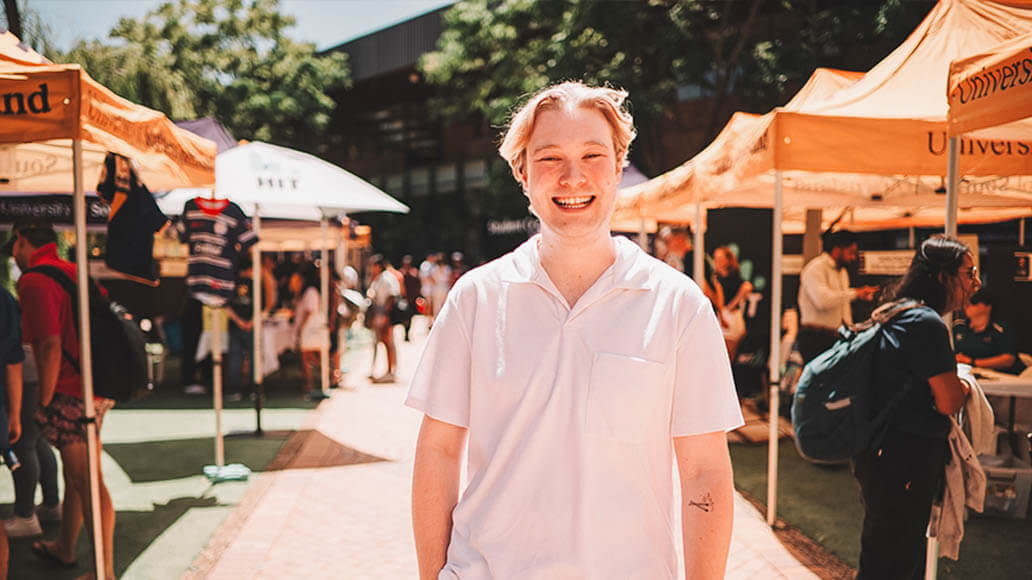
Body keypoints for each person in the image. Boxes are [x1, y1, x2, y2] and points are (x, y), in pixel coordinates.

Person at [407, 81, 743, 579]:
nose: (573, 177)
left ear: (618, 165)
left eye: (592, 155)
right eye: (549, 159)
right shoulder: (475, 299)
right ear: (522, 172)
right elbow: (437, 450)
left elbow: (704, 472)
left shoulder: (679, 305)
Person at [851, 235, 976, 579]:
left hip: (880, 453)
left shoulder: (897, 311)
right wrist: (966, 386)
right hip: (904, 460)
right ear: (942, 276)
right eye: (969, 273)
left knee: (882, 553)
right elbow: (948, 399)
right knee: (896, 560)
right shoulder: (927, 324)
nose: (976, 283)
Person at [4, 217, 117, 577]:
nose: (14, 256)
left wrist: (44, 400)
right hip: (95, 385)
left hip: (71, 393)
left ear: (21, 240)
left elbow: (50, 344)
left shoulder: (35, 280)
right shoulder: (71, 270)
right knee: (79, 477)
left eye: (14, 248)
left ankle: (105, 571)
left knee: (87, 482)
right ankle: (65, 548)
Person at [5, 343, 61, 539]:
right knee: (36, 442)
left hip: (21, 374)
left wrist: (13, 415)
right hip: (31, 371)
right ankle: (51, 504)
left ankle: (25, 515)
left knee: (22, 443)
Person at [797, 229, 879, 364]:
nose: (853, 258)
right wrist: (855, 293)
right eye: (850, 252)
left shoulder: (842, 272)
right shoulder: (816, 268)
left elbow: (842, 307)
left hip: (835, 337)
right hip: (815, 337)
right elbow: (822, 301)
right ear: (837, 249)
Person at [953, 288, 1026, 375]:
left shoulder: (1000, 329)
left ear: (988, 306)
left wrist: (972, 362)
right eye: (966, 302)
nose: (967, 305)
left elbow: (1008, 360)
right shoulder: (957, 327)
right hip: (968, 374)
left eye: (974, 302)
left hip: (1002, 377)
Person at [708, 245, 753, 359]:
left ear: (728, 260)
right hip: (725, 317)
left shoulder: (734, 277)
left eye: (720, 259)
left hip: (732, 317)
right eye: (716, 259)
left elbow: (747, 287)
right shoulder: (716, 278)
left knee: (729, 355)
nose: (717, 262)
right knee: (726, 355)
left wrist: (731, 305)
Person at [289, 263, 327, 394]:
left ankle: (310, 382)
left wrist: (300, 327)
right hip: (308, 328)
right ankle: (312, 381)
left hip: (310, 329)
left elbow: (309, 311)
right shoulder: (305, 292)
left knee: (307, 356)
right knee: (310, 356)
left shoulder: (310, 291)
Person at [225, 257, 256, 402]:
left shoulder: (231, 283)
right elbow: (262, 305)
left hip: (235, 325)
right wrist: (251, 322)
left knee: (235, 358)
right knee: (252, 358)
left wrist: (238, 321)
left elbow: (226, 306)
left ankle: (234, 390)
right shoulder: (255, 283)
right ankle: (253, 390)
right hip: (250, 325)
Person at [366, 254, 401, 383]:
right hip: (381, 312)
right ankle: (388, 369)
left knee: (388, 342)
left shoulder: (387, 278)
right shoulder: (380, 278)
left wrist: (385, 314)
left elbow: (391, 297)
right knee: (384, 342)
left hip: (385, 313)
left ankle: (391, 371)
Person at [399, 255, 422, 342]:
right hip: (404, 299)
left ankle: (408, 332)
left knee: (411, 317)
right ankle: (405, 332)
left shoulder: (414, 273)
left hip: (412, 299)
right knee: (405, 317)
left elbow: (418, 285)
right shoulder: (401, 273)